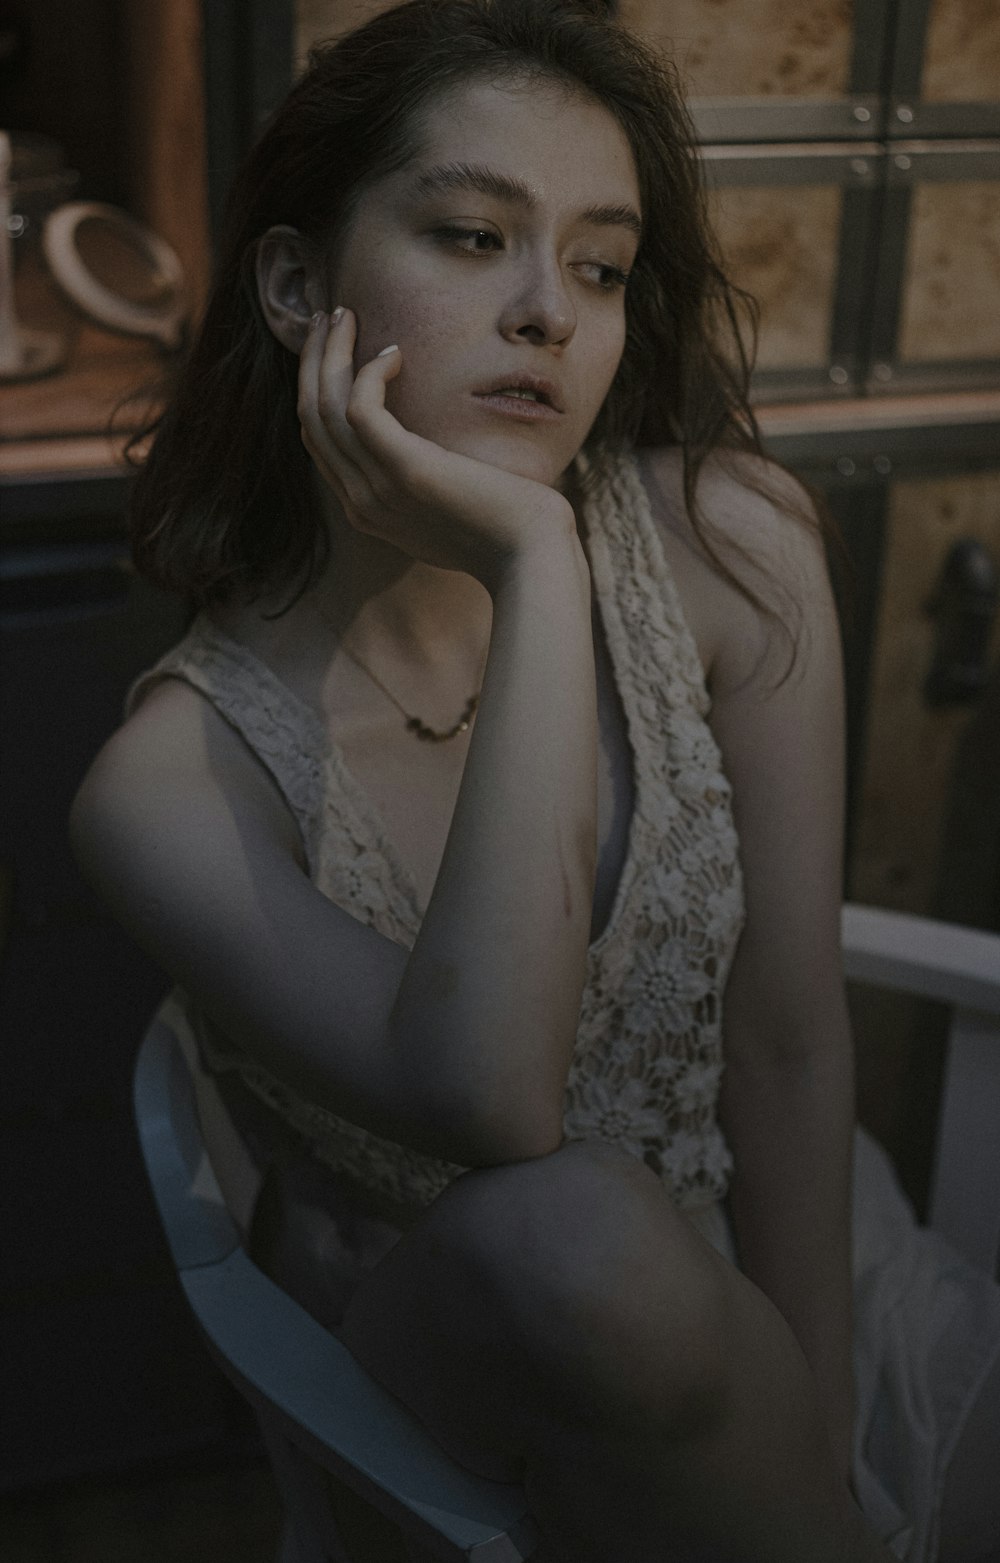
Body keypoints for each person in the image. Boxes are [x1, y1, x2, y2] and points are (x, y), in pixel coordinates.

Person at [69, 2, 1000, 1558]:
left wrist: (823, 1436)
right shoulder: (166, 786)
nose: (547, 315)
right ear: (300, 289)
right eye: (470, 233)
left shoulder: (737, 545)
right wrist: (539, 563)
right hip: (473, 1340)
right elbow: (499, 1103)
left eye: (599, 265)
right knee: (575, 1230)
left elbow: (781, 1040)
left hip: (793, 1271)